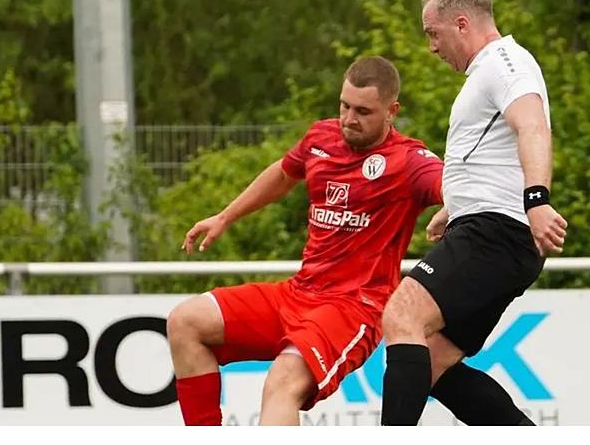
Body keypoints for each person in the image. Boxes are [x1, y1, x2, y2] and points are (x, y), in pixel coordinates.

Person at [166, 56, 445, 425]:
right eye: (344, 106)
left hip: (352, 307)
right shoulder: (321, 137)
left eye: (363, 111)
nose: (349, 118)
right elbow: (283, 175)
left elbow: (459, 188)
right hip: (298, 293)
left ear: (392, 111)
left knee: (282, 382)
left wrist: (452, 208)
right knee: (184, 321)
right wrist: (225, 216)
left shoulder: (408, 160)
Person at [379, 0, 569, 426]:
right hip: (489, 228)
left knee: (402, 314)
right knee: (434, 363)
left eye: (433, 33)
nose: (431, 47)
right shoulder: (491, 69)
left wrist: (537, 198)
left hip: (496, 233)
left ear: (461, 24)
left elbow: (532, 127)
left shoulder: (505, 62)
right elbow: (493, 151)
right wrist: (456, 204)